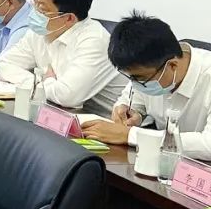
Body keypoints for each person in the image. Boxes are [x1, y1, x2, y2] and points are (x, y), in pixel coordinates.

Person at [81, 13, 211, 158]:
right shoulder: (148, 69)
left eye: (140, 79)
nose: (135, 83)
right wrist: (132, 114)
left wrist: (131, 135)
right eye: (131, 78)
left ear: (172, 65)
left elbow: (208, 144)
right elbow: (131, 102)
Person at [0, 0, 126, 117]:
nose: (34, 13)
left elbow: (67, 97)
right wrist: (38, 82)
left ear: (69, 18)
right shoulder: (40, 31)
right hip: (61, 112)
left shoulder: (95, 40)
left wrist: (46, 82)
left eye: (42, 10)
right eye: (34, 3)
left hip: (108, 121)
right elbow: (3, 65)